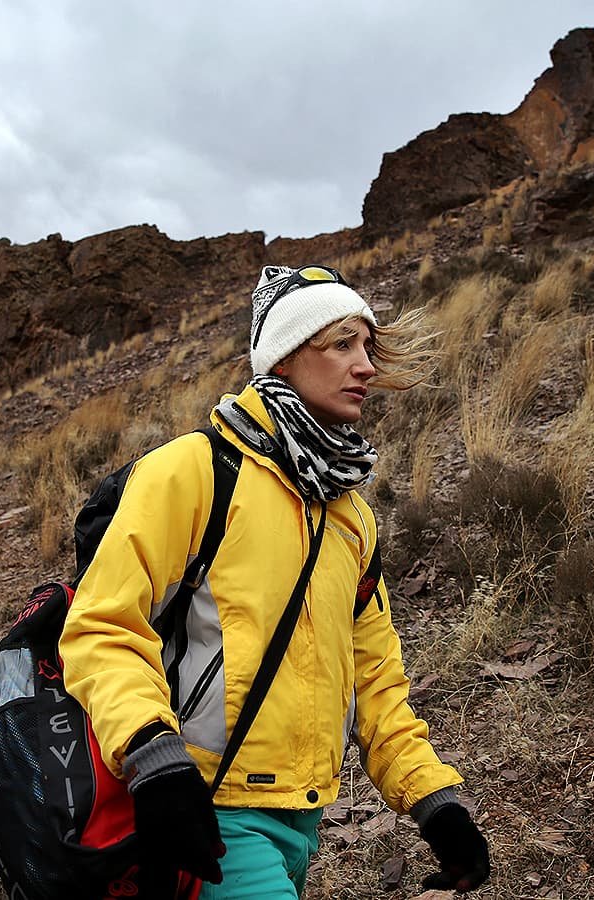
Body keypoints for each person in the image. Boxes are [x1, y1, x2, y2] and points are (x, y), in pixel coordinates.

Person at [59, 265, 492, 898]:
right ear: (284, 358)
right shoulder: (195, 471)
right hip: (205, 807)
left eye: (367, 346)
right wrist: (152, 753)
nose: (366, 365)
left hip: (302, 815)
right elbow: (102, 626)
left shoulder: (351, 517)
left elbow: (371, 672)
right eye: (342, 343)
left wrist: (434, 801)